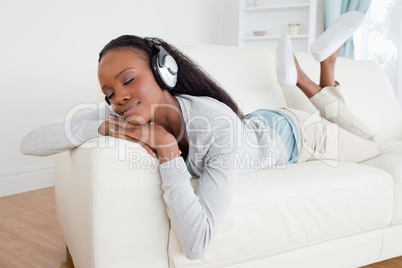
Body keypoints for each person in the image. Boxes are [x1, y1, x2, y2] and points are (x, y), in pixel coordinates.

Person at [21, 11, 380, 260]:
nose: (119, 97)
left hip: (303, 137)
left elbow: (197, 242)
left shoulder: (214, 124)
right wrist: (103, 125)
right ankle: (323, 67)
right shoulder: (125, 114)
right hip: (261, 123)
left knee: (372, 143)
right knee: (361, 133)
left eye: (128, 80)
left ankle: (307, 77)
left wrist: (167, 152)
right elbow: (31, 143)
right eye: (109, 93)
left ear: (164, 71)